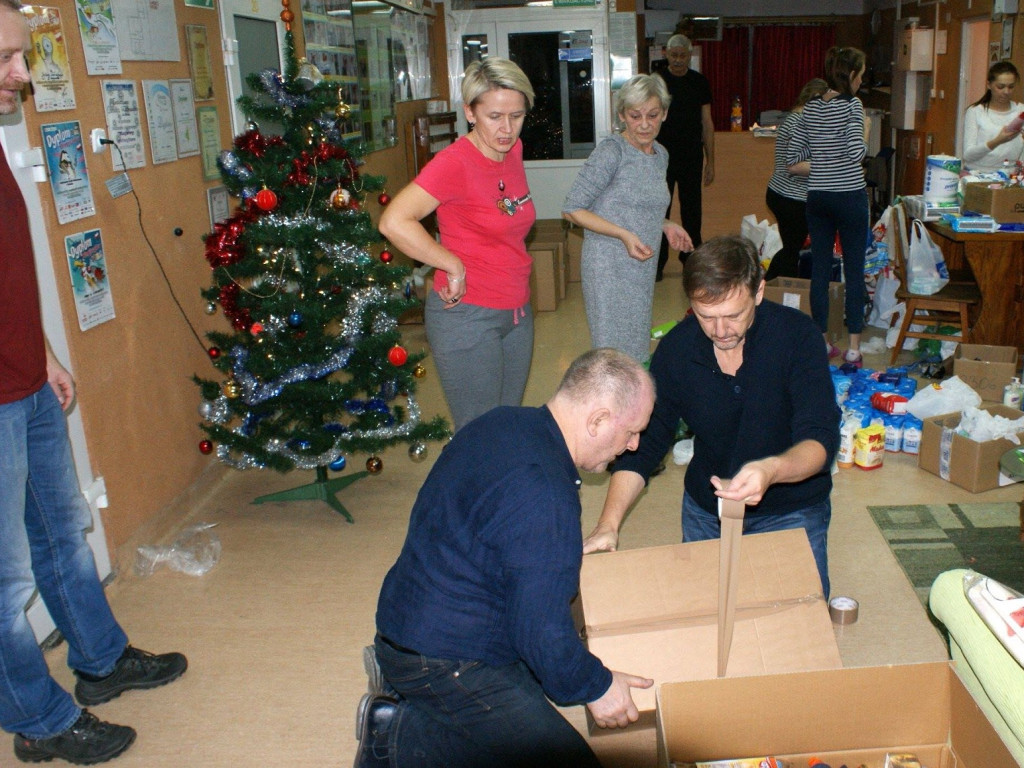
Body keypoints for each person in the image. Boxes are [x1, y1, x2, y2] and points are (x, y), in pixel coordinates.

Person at [0, 2, 188, 764]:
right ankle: (39, 723)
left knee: (65, 533)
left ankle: (102, 663)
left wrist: (40, 351)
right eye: (10, 58)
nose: (24, 74)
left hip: (24, 384)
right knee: (6, 584)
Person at [355, 348, 658, 768]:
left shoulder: (502, 422)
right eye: (631, 432)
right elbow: (540, 631)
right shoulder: (545, 496)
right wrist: (598, 687)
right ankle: (397, 732)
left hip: (409, 617)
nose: (633, 445)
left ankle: (412, 701)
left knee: (528, 701)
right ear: (598, 420)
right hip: (442, 659)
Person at [583, 237, 839, 598]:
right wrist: (607, 524)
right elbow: (647, 442)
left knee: (795, 622)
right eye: (706, 317)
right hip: (708, 511)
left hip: (791, 508)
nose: (721, 331)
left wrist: (771, 470)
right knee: (703, 618)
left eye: (733, 315)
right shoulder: (677, 350)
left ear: (759, 292)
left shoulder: (797, 337)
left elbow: (820, 438)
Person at [378, 58, 536, 432]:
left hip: (517, 310)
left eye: (517, 116)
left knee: (506, 424)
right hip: (468, 316)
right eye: (494, 116)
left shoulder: (513, 150)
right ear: (469, 112)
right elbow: (394, 221)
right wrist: (451, 264)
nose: (506, 128)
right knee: (478, 434)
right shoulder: (453, 163)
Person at [562, 74, 692, 363]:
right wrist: (623, 234)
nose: (645, 124)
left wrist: (666, 224)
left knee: (636, 348)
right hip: (608, 267)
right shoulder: (612, 151)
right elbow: (572, 208)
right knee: (612, 356)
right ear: (622, 115)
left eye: (653, 115)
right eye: (635, 116)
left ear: (665, 114)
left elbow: (639, 205)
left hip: (641, 266)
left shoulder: (661, 155)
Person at [788, 46, 871, 367]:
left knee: (820, 271)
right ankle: (853, 349)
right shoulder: (852, 106)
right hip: (849, 195)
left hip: (818, 196)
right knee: (854, 271)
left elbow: (796, 157)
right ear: (850, 75)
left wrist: (823, 159)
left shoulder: (809, 109)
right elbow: (856, 153)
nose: (862, 82)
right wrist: (863, 129)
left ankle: (822, 344)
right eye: (861, 75)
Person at [651, 34, 715, 281]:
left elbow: (707, 123)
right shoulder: (656, 82)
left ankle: (691, 263)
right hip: (660, 158)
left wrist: (711, 161)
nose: (678, 60)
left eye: (683, 55)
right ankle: (656, 266)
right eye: (673, 55)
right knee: (659, 210)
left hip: (691, 156)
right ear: (666, 54)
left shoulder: (699, 82)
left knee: (692, 212)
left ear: (690, 55)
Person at [764, 78, 829, 280]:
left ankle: (765, 289)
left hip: (783, 194)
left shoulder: (796, 119)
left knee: (790, 248)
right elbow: (795, 166)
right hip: (791, 198)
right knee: (791, 252)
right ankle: (783, 297)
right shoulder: (801, 123)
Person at [962, 60, 1024, 173]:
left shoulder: (1021, 112)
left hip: (1010, 176)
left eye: (1011, 87)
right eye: (1000, 87)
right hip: (977, 175)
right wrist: (997, 141)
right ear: (989, 85)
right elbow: (968, 155)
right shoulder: (975, 112)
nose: (1006, 91)